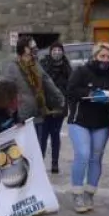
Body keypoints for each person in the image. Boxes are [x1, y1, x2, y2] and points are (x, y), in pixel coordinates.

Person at [65, 43, 109, 213]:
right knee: (83, 154)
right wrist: (91, 93)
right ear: (95, 56)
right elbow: (71, 90)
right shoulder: (81, 71)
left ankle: (89, 193)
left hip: (101, 123)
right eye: (102, 56)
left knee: (96, 157)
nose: (106, 60)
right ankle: (77, 193)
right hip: (80, 121)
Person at [3, 37, 65, 166]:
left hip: (37, 112)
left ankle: (35, 175)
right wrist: (11, 111)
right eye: (31, 45)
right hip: (21, 116)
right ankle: (23, 175)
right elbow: (5, 89)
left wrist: (60, 97)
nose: (34, 47)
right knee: (22, 149)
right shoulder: (12, 66)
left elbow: (47, 81)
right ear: (24, 48)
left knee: (37, 150)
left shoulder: (35, 63)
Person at [38, 42, 72, 173]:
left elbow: (70, 85)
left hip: (59, 106)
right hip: (45, 106)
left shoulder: (66, 67)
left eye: (59, 50)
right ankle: (40, 162)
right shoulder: (43, 64)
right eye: (54, 50)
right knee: (43, 136)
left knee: (55, 135)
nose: (57, 52)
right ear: (50, 52)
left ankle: (54, 163)